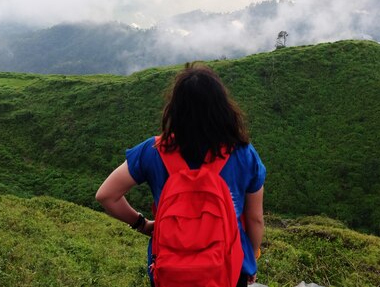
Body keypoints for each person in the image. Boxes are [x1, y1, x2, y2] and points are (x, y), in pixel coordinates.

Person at [96, 63, 266, 287]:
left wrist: (143, 224)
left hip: (170, 271)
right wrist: (251, 257)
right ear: (223, 108)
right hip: (228, 268)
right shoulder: (244, 154)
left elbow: (106, 195)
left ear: (174, 109)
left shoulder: (154, 150)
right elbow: (255, 219)